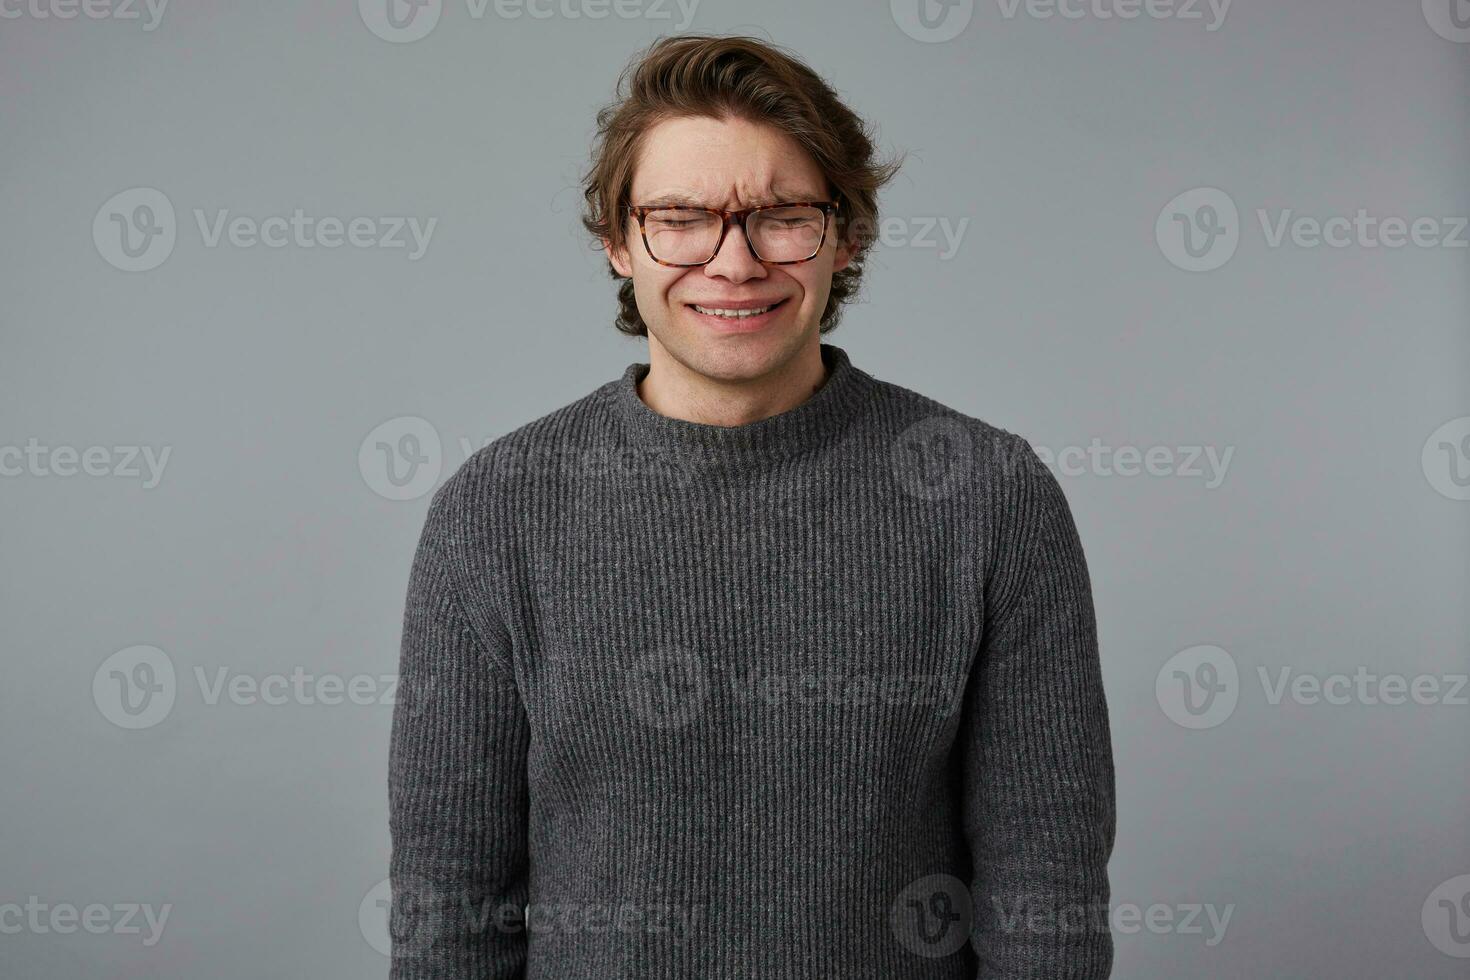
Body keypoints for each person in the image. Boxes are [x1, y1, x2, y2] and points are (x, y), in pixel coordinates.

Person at [389, 33, 1115, 979]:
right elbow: (451, 913)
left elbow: (1045, 907)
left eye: (780, 215)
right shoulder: (495, 511)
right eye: (681, 217)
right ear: (617, 241)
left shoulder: (991, 498)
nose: (732, 263)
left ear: (845, 234)